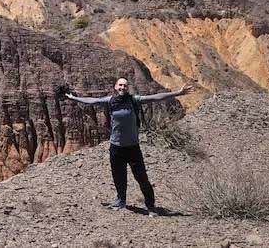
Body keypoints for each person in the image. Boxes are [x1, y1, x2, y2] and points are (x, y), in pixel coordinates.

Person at [64, 78, 192, 217]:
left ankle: (150, 206)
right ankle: (121, 201)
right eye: (120, 85)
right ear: (115, 86)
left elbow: (155, 97)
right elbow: (92, 101)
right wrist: (74, 98)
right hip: (116, 147)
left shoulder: (134, 100)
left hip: (133, 148)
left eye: (125, 85)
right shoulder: (110, 100)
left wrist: (178, 93)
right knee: (119, 176)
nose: (122, 87)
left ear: (127, 87)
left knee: (142, 178)